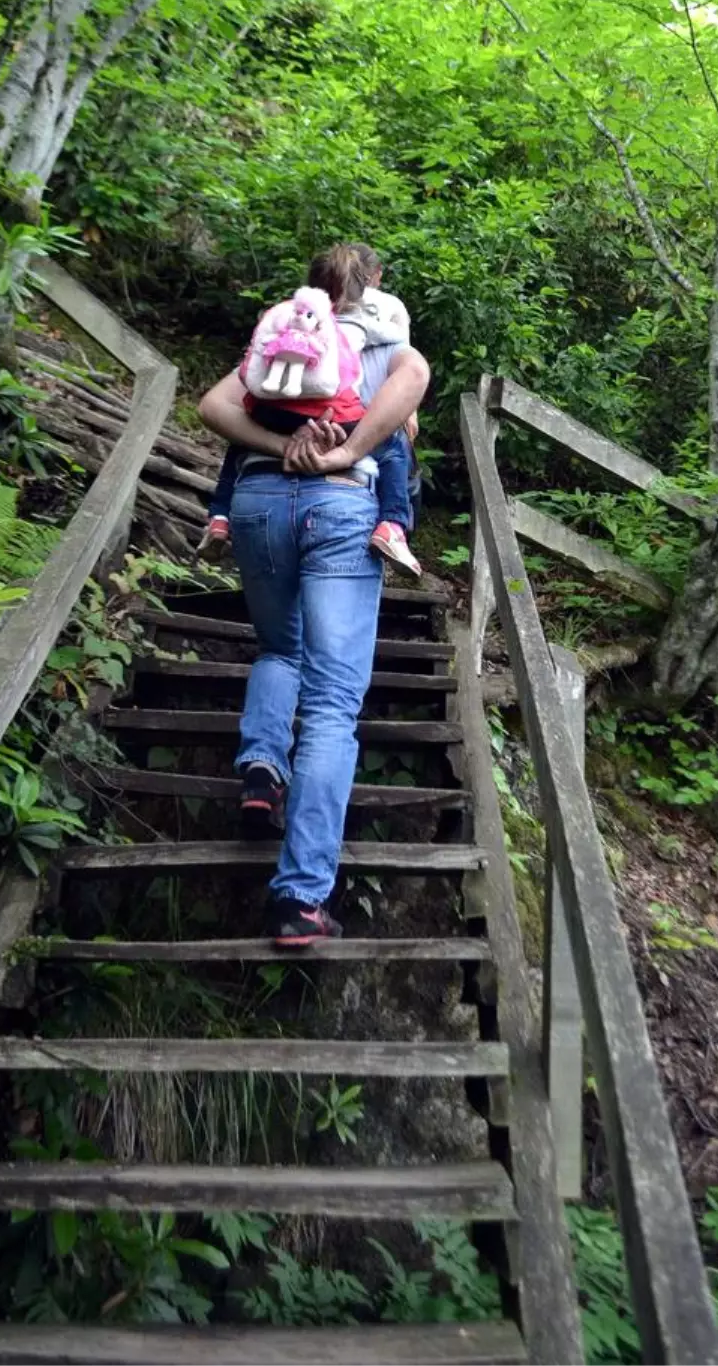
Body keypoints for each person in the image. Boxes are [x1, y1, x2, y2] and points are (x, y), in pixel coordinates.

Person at [197, 271, 430, 945]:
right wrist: (353, 451)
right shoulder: (381, 340)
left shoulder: (284, 343)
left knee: (278, 648)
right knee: (330, 706)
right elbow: (415, 374)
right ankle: (300, 899)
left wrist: (278, 448)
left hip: (258, 504)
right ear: (377, 286)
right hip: (339, 509)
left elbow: (212, 405)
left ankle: (261, 770)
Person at [201, 247, 420, 575]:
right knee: (394, 444)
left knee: (242, 436)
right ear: (366, 286)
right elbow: (405, 355)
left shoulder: (290, 316)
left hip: (276, 418)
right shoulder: (367, 320)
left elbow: (218, 400)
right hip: (335, 421)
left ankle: (218, 517)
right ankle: (393, 525)